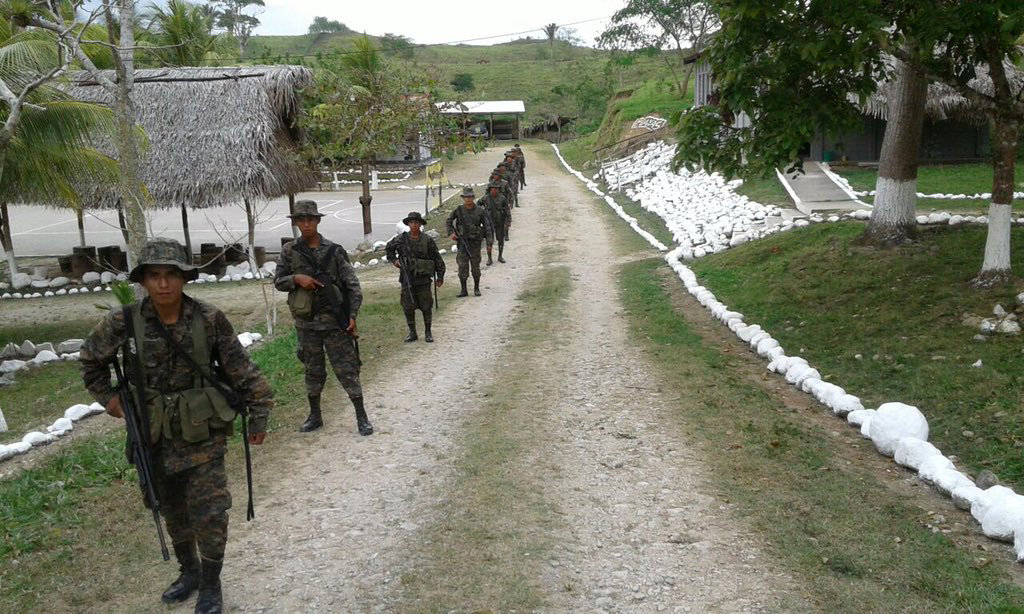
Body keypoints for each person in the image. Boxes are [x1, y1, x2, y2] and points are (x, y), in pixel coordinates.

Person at [79, 238, 273, 614]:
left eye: (171, 275)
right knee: (171, 507)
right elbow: (90, 360)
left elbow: (241, 369)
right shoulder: (123, 321)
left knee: (210, 509)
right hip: (153, 433)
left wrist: (259, 411)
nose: (163, 284)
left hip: (202, 430)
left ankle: (212, 584)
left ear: (184, 278)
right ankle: (190, 572)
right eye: (154, 276)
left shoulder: (209, 318)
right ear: (143, 281)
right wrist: (111, 400)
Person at [274, 200, 373, 436]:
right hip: (306, 324)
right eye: (301, 220)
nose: (306, 224)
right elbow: (278, 281)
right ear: (296, 222)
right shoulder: (289, 252)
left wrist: (352, 315)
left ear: (318, 221)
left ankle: (362, 416)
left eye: (310, 220)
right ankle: (315, 415)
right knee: (312, 369)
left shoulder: (334, 250)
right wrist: (296, 279)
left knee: (346, 368)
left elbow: (352, 285)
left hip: (334, 322)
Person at [385, 211, 445, 342]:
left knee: (426, 306)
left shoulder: (427, 240)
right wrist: (395, 261)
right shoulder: (401, 239)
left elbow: (437, 258)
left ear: (420, 224)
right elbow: (389, 248)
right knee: (408, 306)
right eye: (411, 222)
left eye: (416, 222)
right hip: (407, 278)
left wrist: (440, 277)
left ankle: (428, 332)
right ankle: (412, 332)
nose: (414, 225)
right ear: (408, 224)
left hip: (423, 279)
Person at [446, 186, 494, 297]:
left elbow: (487, 226)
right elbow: (449, 221)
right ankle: (464, 290)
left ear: (473, 198)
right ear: (463, 198)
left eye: (470, 197)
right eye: (466, 197)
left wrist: (489, 242)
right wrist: (452, 233)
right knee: (462, 266)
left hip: (475, 243)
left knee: (475, 267)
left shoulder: (480, 211)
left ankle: (476, 288)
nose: (468, 199)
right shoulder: (458, 210)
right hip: (462, 243)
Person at [478, 181, 510, 264]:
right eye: (493, 189)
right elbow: (478, 204)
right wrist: (483, 213)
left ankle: (500, 256)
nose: (495, 190)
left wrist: (508, 219)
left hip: (500, 221)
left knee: (500, 240)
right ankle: (489, 258)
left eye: (496, 189)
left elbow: (507, 209)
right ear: (490, 189)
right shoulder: (485, 198)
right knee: (489, 241)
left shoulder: (502, 198)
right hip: (488, 223)